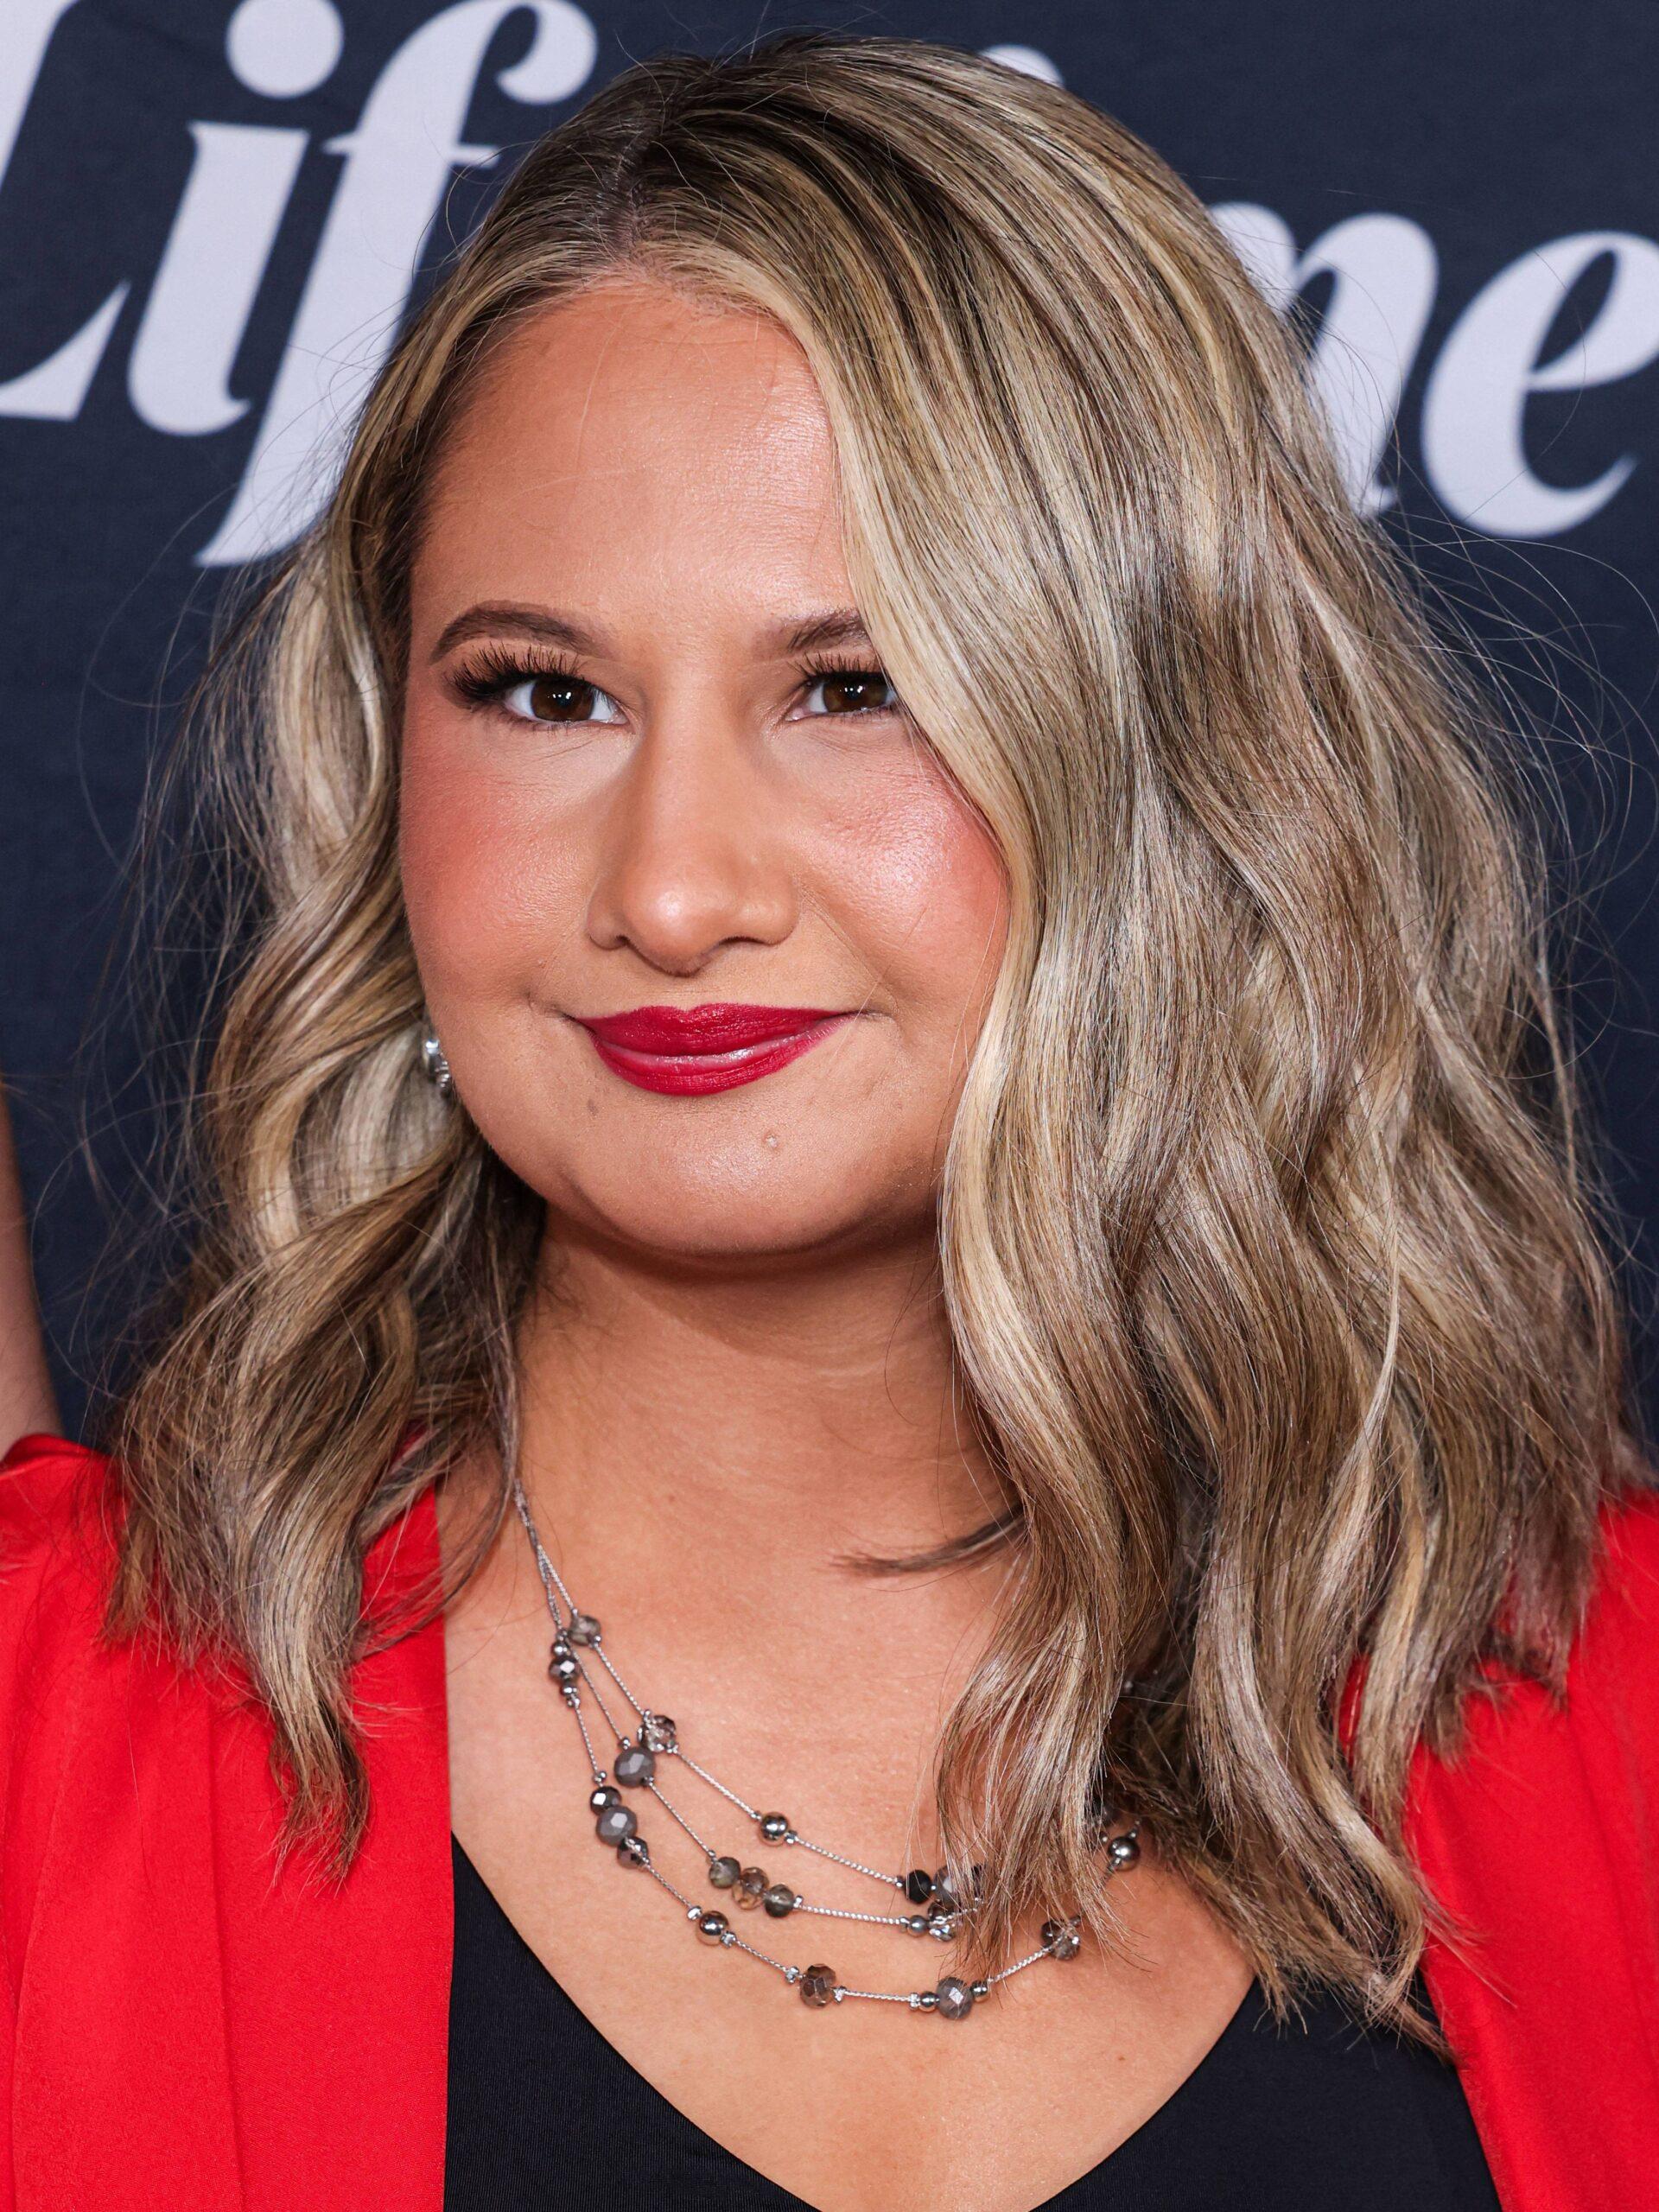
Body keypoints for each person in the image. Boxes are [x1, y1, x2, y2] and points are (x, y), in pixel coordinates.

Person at [1, 31, 1655, 2212]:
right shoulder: (61, 1736)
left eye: (852, 686)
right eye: (542, 691)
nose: (675, 887)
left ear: (1175, 773)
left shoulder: (1603, 1714)